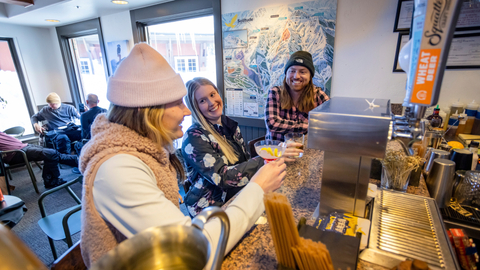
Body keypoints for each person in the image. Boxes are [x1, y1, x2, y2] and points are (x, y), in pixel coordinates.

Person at [79, 43, 286, 268]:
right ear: (147, 110)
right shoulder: (118, 170)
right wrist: (258, 188)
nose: (187, 111)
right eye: (178, 103)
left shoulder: (146, 152)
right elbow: (194, 249)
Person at [182, 78, 289, 217]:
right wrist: (269, 157)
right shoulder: (194, 137)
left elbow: (244, 161)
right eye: (202, 100)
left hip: (238, 196)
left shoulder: (229, 125)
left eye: (212, 94)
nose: (211, 102)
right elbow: (221, 177)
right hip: (211, 211)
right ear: (194, 107)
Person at [265, 51, 330, 141]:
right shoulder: (275, 92)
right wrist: (309, 126)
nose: (296, 76)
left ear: (310, 76)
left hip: (306, 151)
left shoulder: (319, 95)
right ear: (286, 74)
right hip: (277, 151)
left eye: (302, 72)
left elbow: (329, 123)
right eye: (292, 71)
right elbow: (272, 123)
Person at [0, 131, 78, 188]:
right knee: (51, 154)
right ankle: (50, 181)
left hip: (23, 146)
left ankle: (79, 161)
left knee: (53, 154)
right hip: (16, 153)